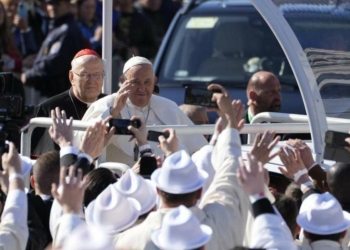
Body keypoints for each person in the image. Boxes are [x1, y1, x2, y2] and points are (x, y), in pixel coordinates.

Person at [80, 56, 208, 165]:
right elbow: (85, 143)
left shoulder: (168, 106)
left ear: (154, 81)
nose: (142, 88)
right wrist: (114, 111)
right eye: (135, 82)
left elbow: (198, 148)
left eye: (147, 82)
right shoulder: (107, 103)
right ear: (122, 81)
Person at [31, 49, 107, 156]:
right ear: (72, 77)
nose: (92, 81)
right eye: (85, 74)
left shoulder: (109, 105)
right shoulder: (48, 109)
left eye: (97, 75)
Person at [21, 0, 86, 98]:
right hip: (50, 94)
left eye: (57, 3)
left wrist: (30, 75)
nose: (53, 7)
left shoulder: (67, 30)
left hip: (58, 95)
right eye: (50, 3)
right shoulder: (56, 27)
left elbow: (55, 63)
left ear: (67, 4)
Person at [241, 71, 281, 144]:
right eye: (271, 92)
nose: (278, 97)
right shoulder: (233, 128)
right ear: (253, 96)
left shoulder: (288, 128)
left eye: (279, 91)